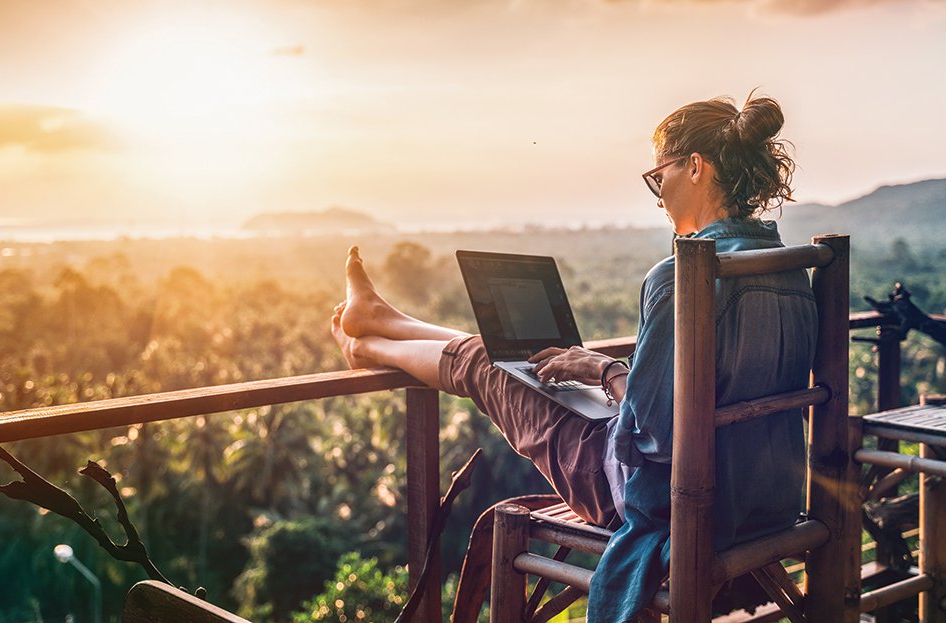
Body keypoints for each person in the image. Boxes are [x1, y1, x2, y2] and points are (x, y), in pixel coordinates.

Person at [331, 93, 818, 622]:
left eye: (659, 177)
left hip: (676, 502)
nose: (659, 198)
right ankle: (382, 321)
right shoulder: (788, 266)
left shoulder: (685, 274)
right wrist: (602, 376)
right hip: (765, 498)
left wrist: (605, 372)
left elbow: (654, 434)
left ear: (695, 167)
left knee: (490, 365)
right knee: (506, 355)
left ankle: (364, 344)